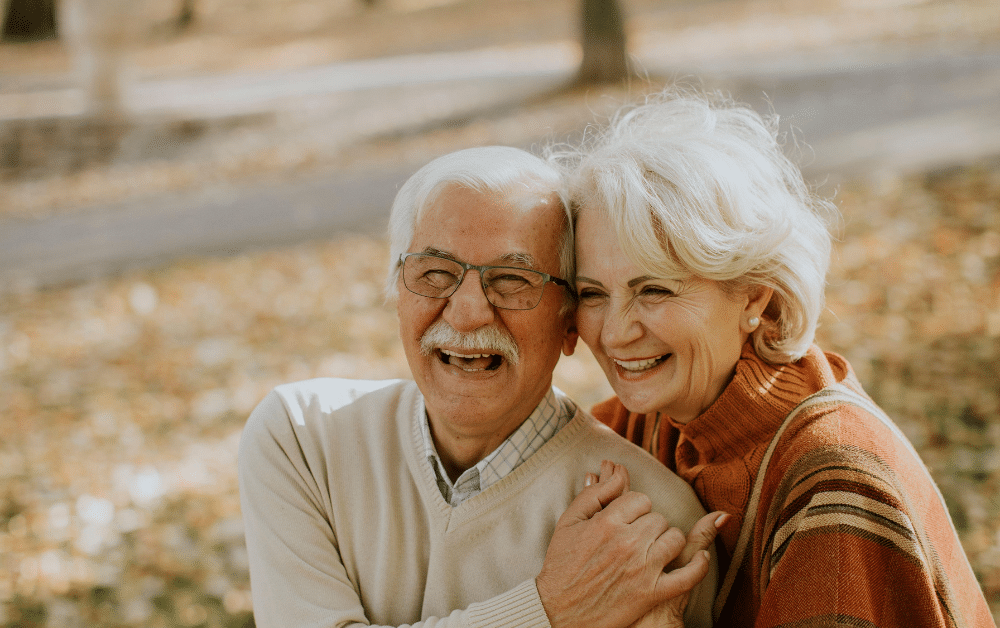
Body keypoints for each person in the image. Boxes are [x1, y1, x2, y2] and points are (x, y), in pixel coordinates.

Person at [558, 90, 995, 627]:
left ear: (754, 296)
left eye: (655, 290)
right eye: (592, 294)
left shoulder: (834, 482)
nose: (616, 333)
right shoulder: (646, 422)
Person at [238, 145, 719, 628]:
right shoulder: (302, 439)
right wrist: (552, 609)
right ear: (397, 292)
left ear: (569, 322)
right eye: (435, 273)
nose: (468, 312)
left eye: (512, 280)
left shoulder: (645, 531)